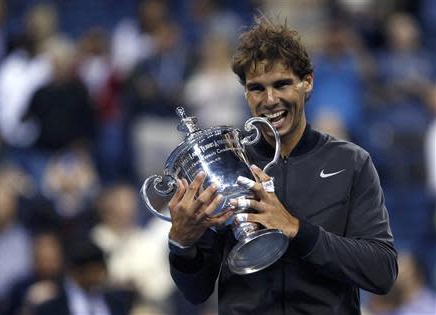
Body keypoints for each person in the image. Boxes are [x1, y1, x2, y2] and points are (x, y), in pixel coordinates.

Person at [166, 15, 398, 314]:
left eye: (282, 84)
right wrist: (182, 245)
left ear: (307, 83)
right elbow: (196, 292)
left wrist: (296, 228)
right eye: (257, 88)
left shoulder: (351, 161)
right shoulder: (224, 163)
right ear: (246, 93)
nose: (270, 99)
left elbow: (382, 272)